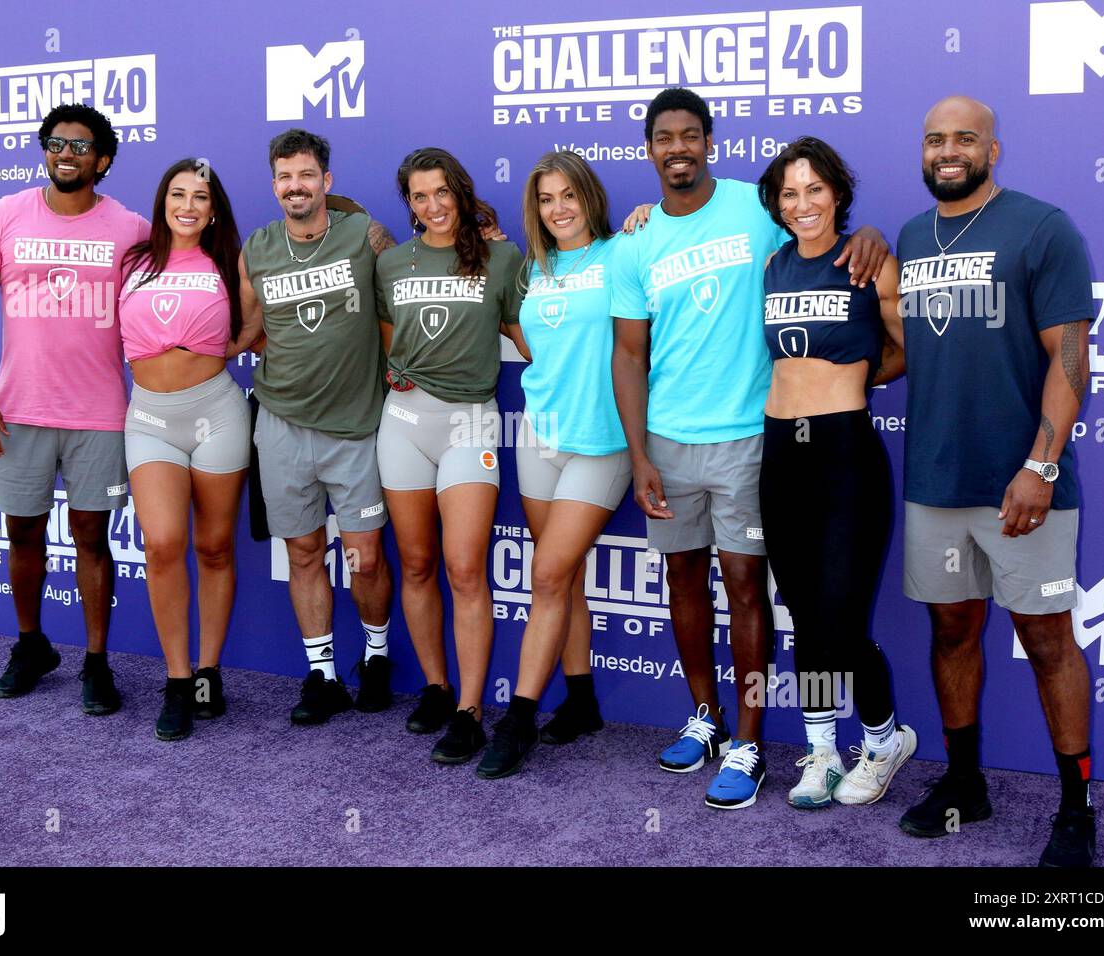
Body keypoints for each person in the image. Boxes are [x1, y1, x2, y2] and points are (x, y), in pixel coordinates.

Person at [611, 87, 888, 809]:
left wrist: (875, 239)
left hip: (757, 443)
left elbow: (830, 250)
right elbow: (629, 354)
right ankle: (714, 720)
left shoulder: (752, 213)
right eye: (664, 137)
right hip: (672, 444)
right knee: (690, 586)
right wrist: (638, 453)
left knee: (767, 599)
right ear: (648, 149)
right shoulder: (634, 240)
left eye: (691, 135)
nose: (678, 147)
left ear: (709, 142)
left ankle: (758, 740)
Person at [895, 96, 1095, 867]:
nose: (949, 150)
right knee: (953, 631)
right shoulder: (913, 237)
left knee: (1047, 639)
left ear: (993, 149)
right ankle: (965, 782)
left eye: (964, 139)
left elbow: (1070, 357)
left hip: (1022, 483)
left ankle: (1075, 809)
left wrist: (1040, 465)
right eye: (935, 137)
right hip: (935, 481)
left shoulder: (1042, 228)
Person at [0, 102, 149, 715]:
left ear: (104, 160)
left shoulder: (131, 228)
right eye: (56, 143)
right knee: (24, 533)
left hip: (99, 414)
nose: (66, 154)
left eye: (80, 145)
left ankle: (96, 661)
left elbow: (190, 262)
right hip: (19, 410)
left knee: (94, 538)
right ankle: (31, 645)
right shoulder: (5, 213)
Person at [754, 137, 915, 808]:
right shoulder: (772, 264)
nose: (803, 204)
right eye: (790, 194)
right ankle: (821, 750)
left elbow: (908, 350)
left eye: (814, 190)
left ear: (837, 194)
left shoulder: (870, 264)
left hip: (845, 453)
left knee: (842, 621)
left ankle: (883, 740)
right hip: (780, 454)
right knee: (804, 615)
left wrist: (852, 380)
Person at [475, 151, 632, 778]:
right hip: (541, 436)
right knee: (560, 579)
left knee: (546, 575)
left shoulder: (624, 254)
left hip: (605, 441)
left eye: (569, 195)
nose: (559, 208)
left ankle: (518, 718)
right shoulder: (528, 267)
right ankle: (584, 699)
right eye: (546, 199)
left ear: (589, 197)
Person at [376, 147, 528, 765]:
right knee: (415, 564)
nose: (433, 205)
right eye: (420, 196)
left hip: (470, 423)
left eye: (443, 192)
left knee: (465, 570)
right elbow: (390, 341)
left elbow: (528, 335)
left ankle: (470, 712)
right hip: (405, 425)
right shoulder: (391, 264)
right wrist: (398, 370)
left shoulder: (501, 256)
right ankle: (438, 689)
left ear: (461, 193)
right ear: (408, 204)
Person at [240, 129, 397, 725]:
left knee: (364, 557)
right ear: (274, 183)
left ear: (327, 181)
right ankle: (322, 675)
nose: (295, 186)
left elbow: (405, 289)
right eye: (284, 177)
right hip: (280, 424)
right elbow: (246, 331)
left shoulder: (365, 234)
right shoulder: (257, 248)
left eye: (306, 175)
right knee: (304, 551)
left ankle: (377, 657)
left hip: (355, 426)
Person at [119, 158, 259, 741]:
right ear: (163, 201)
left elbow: (257, 324)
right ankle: (176, 680)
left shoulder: (232, 260)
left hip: (216, 411)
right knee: (164, 544)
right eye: (178, 193)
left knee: (215, 545)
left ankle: (208, 672)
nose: (188, 205)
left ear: (214, 208)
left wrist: (224, 348)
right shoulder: (133, 260)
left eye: (200, 197)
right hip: (149, 416)